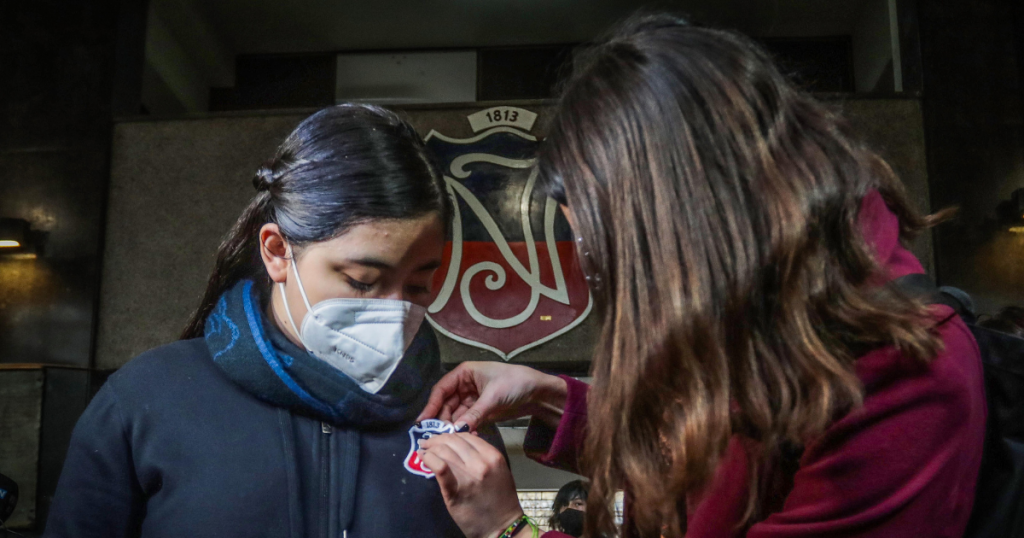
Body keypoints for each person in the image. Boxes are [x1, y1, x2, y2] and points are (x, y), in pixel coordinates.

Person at [416, 14, 986, 538]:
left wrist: (507, 530)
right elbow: (696, 445)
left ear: (684, 225)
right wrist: (550, 399)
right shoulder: (766, 319)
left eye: (604, 247)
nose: (604, 275)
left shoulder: (897, 377)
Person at [45, 104, 502, 537]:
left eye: (419, 285)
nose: (394, 311)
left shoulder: (457, 416)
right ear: (278, 252)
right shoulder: (146, 398)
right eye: (362, 281)